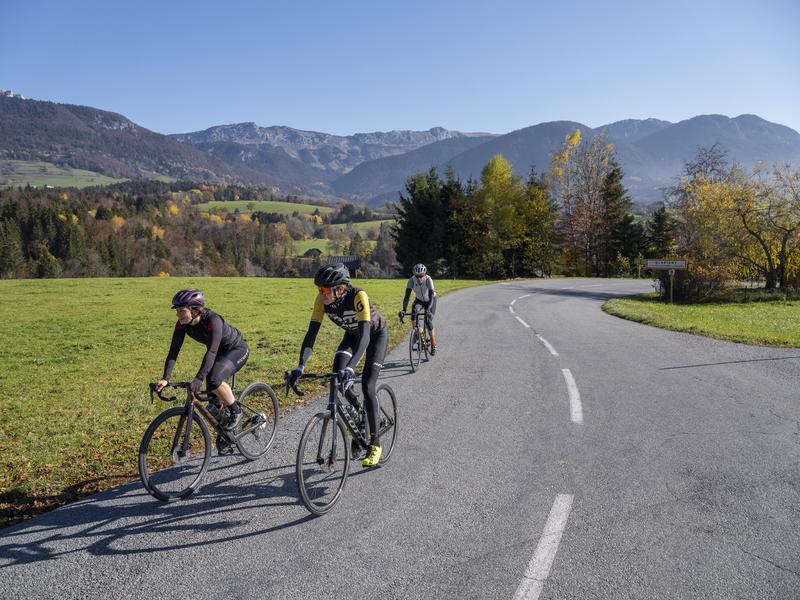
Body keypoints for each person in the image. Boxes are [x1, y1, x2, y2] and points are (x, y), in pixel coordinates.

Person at [287, 264, 388, 467]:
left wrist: (351, 368)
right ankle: (360, 415)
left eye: (324, 290)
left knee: (368, 386)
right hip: (351, 336)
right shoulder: (322, 302)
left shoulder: (359, 296)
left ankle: (375, 444)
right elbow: (311, 334)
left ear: (340, 288)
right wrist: (300, 366)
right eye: (319, 289)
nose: (321, 294)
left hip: (374, 336)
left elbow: (366, 336)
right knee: (338, 379)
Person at [155, 289, 249, 452]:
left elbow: (211, 352)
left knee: (213, 379)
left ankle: (236, 410)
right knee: (213, 405)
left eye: (181, 310)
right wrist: (165, 378)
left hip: (236, 350)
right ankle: (226, 434)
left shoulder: (213, 320)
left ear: (194, 309)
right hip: (218, 354)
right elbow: (173, 351)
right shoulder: (183, 324)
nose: (178, 314)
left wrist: (199, 377)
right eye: (177, 311)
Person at [399, 263, 437, 355]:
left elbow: (431, 295)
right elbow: (407, 297)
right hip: (419, 300)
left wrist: (428, 309)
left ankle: (433, 345)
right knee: (413, 314)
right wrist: (403, 309)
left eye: (421, 276)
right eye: (417, 277)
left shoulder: (428, 280)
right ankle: (417, 333)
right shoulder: (411, 280)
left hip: (430, 300)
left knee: (428, 321)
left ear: (424, 275)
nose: (419, 278)